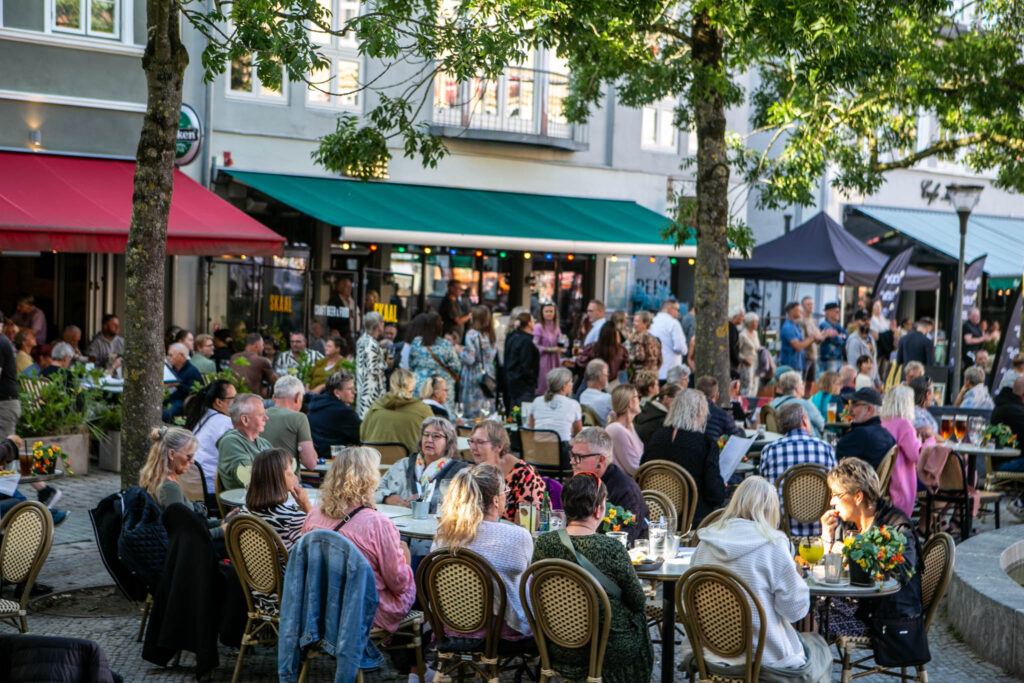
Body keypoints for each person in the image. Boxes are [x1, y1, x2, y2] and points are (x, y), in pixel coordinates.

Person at [692, 476, 831, 680]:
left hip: (712, 657)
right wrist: (797, 578)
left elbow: (689, 606)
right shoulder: (773, 546)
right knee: (819, 647)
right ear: (771, 510)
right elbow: (795, 611)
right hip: (766, 662)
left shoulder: (705, 543)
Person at [531, 472, 653, 683]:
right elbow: (637, 601)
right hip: (606, 649)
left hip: (558, 645)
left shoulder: (543, 544)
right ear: (598, 510)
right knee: (639, 620)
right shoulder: (612, 548)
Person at [301, 446, 416, 633]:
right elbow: (398, 582)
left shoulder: (314, 514)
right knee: (411, 580)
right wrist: (407, 559)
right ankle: (407, 657)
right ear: (369, 479)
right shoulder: (378, 524)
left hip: (320, 605)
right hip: (362, 609)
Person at [819, 459, 924, 644]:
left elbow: (902, 571)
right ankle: (808, 668)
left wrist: (854, 553)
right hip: (859, 608)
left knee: (811, 620)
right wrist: (827, 537)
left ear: (857, 496)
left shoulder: (896, 526)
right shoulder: (848, 526)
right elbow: (828, 571)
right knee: (802, 608)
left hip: (885, 620)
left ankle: (807, 669)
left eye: (836, 494)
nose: (831, 502)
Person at [431, 463, 534, 639]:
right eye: (505, 491)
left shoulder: (443, 534)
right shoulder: (517, 536)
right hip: (501, 629)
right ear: (495, 500)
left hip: (452, 625)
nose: (506, 495)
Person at [641, 389, 725, 525]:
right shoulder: (705, 444)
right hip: (692, 519)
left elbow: (643, 473)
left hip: (656, 514)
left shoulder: (656, 438)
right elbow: (715, 495)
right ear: (700, 413)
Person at [757, 403, 836, 535]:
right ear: (804, 420)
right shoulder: (826, 448)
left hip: (781, 531)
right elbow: (837, 487)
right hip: (822, 530)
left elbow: (762, 493)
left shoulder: (770, 451)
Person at [138, 425, 224, 536]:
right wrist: (221, 531)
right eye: (189, 456)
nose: (192, 461)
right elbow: (183, 537)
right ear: (172, 454)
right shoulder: (169, 488)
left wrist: (220, 522)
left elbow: (188, 525)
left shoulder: (156, 479)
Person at [468, 420, 547, 522]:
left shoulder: (524, 474)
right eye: (471, 441)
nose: (472, 447)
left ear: (499, 446)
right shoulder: (476, 472)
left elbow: (527, 524)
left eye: (479, 442)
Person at [239, 447, 311, 551]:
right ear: (281, 476)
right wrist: (306, 504)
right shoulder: (293, 519)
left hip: (253, 567)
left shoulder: (244, 512)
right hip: (286, 567)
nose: (294, 475)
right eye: (291, 470)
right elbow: (316, 547)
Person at [361, 369, 434, 453]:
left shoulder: (374, 408)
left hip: (375, 464)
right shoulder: (423, 410)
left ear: (391, 386)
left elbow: (362, 437)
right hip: (411, 464)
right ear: (413, 387)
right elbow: (433, 441)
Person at [185, 378, 237, 495]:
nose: (237, 403)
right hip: (211, 490)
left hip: (192, 486)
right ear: (219, 402)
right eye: (233, 399)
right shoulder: (225, 423)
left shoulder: (201, 416)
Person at [879, 385, 922, 517]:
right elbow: (915, 455)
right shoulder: (904, 424)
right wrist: (928, 442)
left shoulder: (882, 421)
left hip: (883, 478)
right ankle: (932, 524)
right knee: (937, 485)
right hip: (900, 479)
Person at [409, 311, 462, 416]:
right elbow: (456, 367)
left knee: (419, 414)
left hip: (419, 383)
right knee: (443, 416)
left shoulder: (416, 342)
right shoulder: (445, 345)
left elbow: (411, 363)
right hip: (440, 385)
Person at [217, 393, 271, 490]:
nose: (266, 418)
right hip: (247, 503)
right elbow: (250, 479)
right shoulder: (230, 442)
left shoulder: (264, 443)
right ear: (245, 419)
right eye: (261, 415)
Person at [262, 375, 316, 472]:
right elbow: (310, 463)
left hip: (261, 480)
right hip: (288, 483)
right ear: (297, 397)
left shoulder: (259, 416)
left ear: (274, 397)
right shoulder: (299, 418)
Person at [834, 387, 896, 469]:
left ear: (869, 409)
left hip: (855, 481)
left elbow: (835, 458)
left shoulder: (861, 434)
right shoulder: (888, 436)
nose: (849, 409)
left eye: (855, 405)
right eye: (850, 404)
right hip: (873, 481)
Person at [306, 370, 361, 460]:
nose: (354, 392)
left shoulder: (314, 406)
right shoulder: (345, 413)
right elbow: (361, 437)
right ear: (336, 392)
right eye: (350, 389)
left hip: (316, 461)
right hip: (340, 463)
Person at [458, 305, 498, 419]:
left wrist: (459, 352)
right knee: (486, 407)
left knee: (472, 411)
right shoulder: (491, 334)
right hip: (488, 373)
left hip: (474, 374)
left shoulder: (472, 334)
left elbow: (470, 359)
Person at [528, 367, 583, 442]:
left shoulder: (536, 401)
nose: (572, 384)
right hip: (562, 450)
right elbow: (578, 433)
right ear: (564, 387)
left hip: (538, 449)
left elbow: (530, 428)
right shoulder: (573, 404)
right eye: (571, 382)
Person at [770, 371, 825, 437]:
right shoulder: (804, 404)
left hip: (780, 439)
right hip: (807, 441)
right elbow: (821, 424)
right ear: (797, 388)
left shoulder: (773, 404)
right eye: (802, 384)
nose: (803, 386)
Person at [605, 384, 643, 476]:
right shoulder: (617, 430)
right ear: (630, 402)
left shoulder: (629, 426)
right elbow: (634, 469)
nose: (640, 401)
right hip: (627, 485)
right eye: (638, 397)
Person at [356, 311, 388, 420]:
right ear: (378, 325)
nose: (384, 325)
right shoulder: (371, 343)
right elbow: (372, 368)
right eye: (382, 322)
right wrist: (385, 364)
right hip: (371, 390)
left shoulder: (363, 339)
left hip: (364, 386)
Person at [504, 311, 539, 408]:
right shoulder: (526, 341)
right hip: (523, 385)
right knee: (523, 412)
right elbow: (526, 365)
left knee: (514, 411)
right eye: (533, 321)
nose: (534, 322)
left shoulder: (512, 336)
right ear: (528, 323)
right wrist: (531, 381)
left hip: (512, 382)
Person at [694, 375, 744, 442]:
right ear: (717, 396)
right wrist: (741, 430)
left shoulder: (686, 412)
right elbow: (737, 439)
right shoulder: (723, 416)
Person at [230, 333, 279, 397]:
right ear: (257, 345)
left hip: (234, 398)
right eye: (262, 345)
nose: (263, 348)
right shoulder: (262, 361)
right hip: (252, 400)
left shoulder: (233, 357)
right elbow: (276, 382)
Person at [649, 298, 687, 381]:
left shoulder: (653, 321)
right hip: (671, 370)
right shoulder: (673, 323)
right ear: (670, 309)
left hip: (655, 370)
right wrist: (685, 350)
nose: (678, 313)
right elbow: (679, 347)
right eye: (677, 310)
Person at [779, 301, 822, 374]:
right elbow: (798, 346)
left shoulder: (796, 326)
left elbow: (803, 340)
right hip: (790, 366)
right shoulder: (788, 327)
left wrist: (818, 337)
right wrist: (812, 337)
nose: (801, 311)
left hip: (799, 364)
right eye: (799, 310)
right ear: (791, 311)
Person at [163, 342, 202, 421]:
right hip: (170, 398)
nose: (168, 358)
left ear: (181, 356)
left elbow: (194, 392)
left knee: (164, 413)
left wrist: (178, 385)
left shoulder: (192, 371)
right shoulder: (172, 368)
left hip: (183, 402)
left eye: (171, 355)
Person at [533, 302, 565, 396]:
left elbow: (561, 342)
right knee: (543, 386)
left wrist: (563, 346)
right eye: (546, 311)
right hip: (543, 362)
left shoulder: (556, 327)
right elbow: (534, 346)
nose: (549, 313)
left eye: (551, 311)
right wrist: (550, 349)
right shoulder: (538, 327)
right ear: (542, 313)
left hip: (555, 360)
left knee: (556, 385)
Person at [846, 309, 878, 386]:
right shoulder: (854, 341)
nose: (867, 322)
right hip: (861, 384)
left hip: (871, 383)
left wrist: (878, 382)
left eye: (868, 319)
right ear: (856, 322)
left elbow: (874, 362)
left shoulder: (870, 339)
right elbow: (853, 367)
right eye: (863, 319)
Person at [579, 359, 613, 425]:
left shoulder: (582, 395)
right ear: (599, 377)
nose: (607, 377)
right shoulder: (608, 399)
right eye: (606, 374)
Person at [628, 310, 661, 377]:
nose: (634, 323)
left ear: (645, 323)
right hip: (653, 376)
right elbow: (660, 361)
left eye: (637, 321)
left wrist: (628, 345)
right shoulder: (655, 339)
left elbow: (639, 357)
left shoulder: (638, 339)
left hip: (640, 377)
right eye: (634, 321)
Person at [326, 276, 360, 341]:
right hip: (340, 335)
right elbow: (331, 319)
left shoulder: (352, 301)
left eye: (350, 287)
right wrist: (346, 314)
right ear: (340, 288)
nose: (350, 289)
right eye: (347, 287)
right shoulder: (334, 301)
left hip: (354, 334)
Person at [818, 302, 848, 374]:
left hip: (838, 358)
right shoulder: (824, 325)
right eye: (836, 312)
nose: (838, 314)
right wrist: (840, 336)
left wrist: (840, 336)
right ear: (828, 312)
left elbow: (846, 336)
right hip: (829, 359)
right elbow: (836, 340)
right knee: (830, 381)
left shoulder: (837, 325)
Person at [909, 376, 939, 442]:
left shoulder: (922, 410)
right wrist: (953, 445)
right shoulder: (915, 412)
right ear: (927, 395)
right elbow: (931, 435)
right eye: (933, 392)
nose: (933, 396)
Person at [738, 312, 761, 395]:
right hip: (747, 364)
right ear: (749, 323)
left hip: (756, 364)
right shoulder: (743, 335)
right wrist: (744, 359)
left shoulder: (755, 334)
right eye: (755, 322)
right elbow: (737, 351)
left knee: (755, 387)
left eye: (757, 322)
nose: (756, 324)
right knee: (747, 387)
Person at [798, 297, 821, 383]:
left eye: (812, 304)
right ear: (803, 306)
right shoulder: (801, 321)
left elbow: (818, 338)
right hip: (805, 356)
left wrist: (823, 336)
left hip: (814, 355)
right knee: (802, 382)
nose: (811, 306)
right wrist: (814, 337)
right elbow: (802, 339)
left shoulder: (813, 321)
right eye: (808, 304)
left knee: (811, 383)